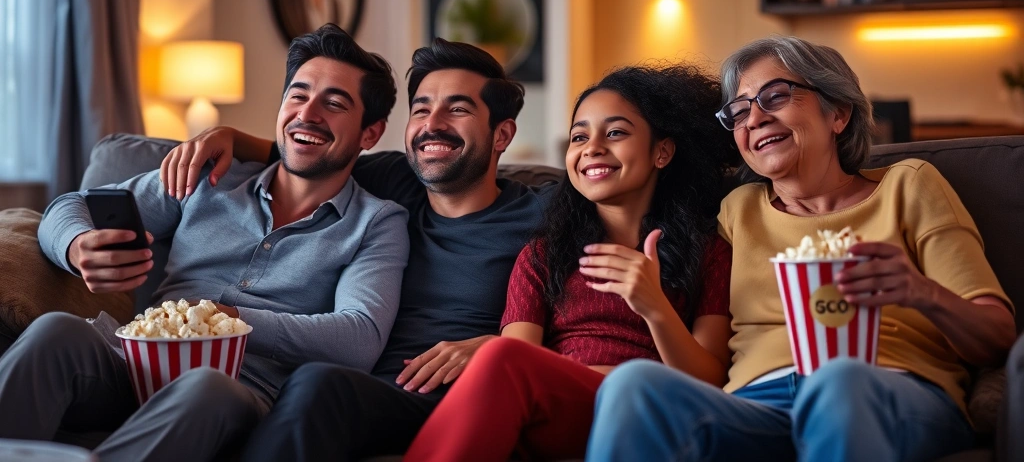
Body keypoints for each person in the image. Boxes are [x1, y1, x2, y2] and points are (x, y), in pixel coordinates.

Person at [587, 36, 1016, 462]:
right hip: (757, 407)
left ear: (839, 113)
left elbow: (997, 338)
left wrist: (922, 293)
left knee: (839, 381)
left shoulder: (909, 185)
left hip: (886, 392)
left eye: (775, 96)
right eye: (739, 111)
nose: (754, 119)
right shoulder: (736, 211)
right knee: (633, 386)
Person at [0, 23, 409, 461]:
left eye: (334, 103)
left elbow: (360, 336)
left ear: (370, 133)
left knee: (205, 385)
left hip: (239, 388)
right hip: (132, 359)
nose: (307, 114)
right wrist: (76, 244)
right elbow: (69, 206)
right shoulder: (207, 178)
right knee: (56, 330)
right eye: (298, 94)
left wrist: (227, 321)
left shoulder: (377, 223)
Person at [159, 38, 550, 460]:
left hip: (456, 395)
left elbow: (593, 314)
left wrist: (499, 347)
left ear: (502, 134)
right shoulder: (395, 181)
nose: (432, 125)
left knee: (315, 383)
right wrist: (226, 135)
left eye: (457, 109)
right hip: (365, 389)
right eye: (420, 109)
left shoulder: (545, 212)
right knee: (303, 384)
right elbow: (307, 147)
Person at [402, 64, 735, 462]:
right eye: (579, 136)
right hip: (562, 409)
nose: (592, 147)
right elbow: (517, 359)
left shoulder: (709, 251)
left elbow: (709, 380)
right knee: (501, 358)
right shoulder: (544, 254)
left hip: (651, 406)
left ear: (661, 151)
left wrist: (654, 307)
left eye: (615, 132)